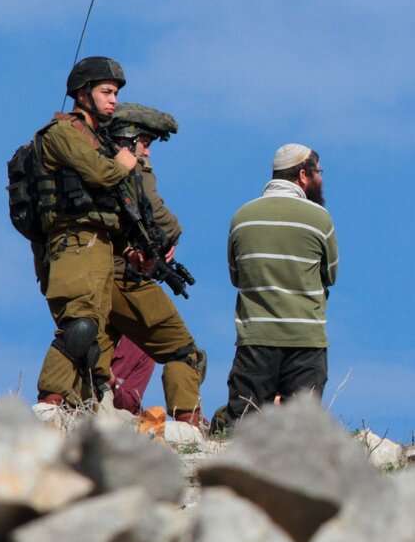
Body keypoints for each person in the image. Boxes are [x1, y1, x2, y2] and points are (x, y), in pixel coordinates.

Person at [33, 57, 141, 406]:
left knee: (94, 335)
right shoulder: (63, 132)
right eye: (106, 92)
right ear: (82, 94)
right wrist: (122, 164)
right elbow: (101, 175)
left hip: (98, 244)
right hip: (74, 241)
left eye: (115, 93)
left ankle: (76, 407)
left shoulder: (97, 138)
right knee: (79, 324)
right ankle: (49, 405)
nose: (113, 100)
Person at [210, 144, 338, 431]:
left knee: (244, 426)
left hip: (255, 338)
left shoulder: (242, 217)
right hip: (305, 338)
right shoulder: (320, 219)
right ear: (303, 175)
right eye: (318, 172)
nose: (321, 179)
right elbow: (330, 274)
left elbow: (236, 276)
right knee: (301, 433)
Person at [103, 103, 207, 426]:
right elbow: (157, 214)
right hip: (125, 276)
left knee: (90, 354)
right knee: (185, 352)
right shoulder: (132, 169)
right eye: (145, 143)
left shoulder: (94, 167)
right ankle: (188, 424)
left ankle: (60, 408)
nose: (148, 152)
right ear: (128, 139)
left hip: (90, 277)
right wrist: (173, 235)